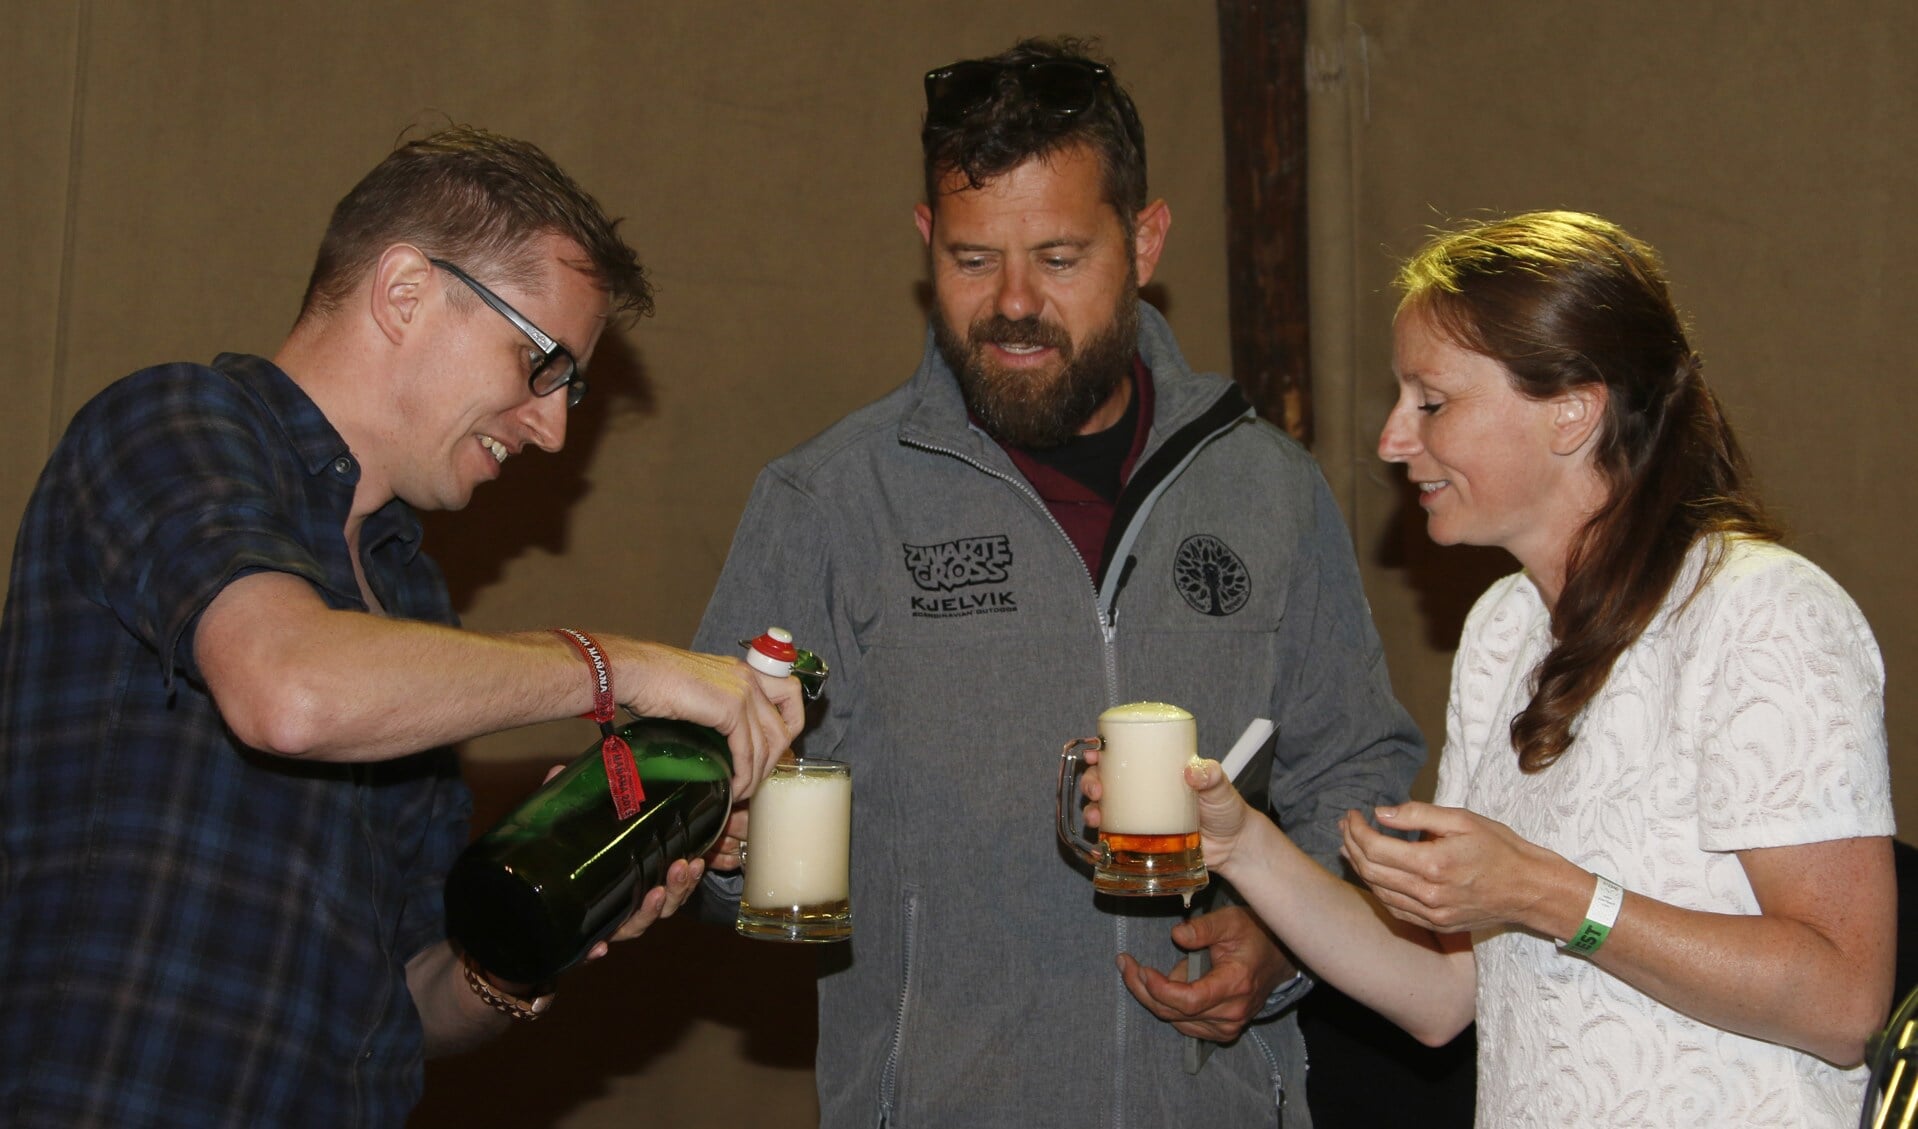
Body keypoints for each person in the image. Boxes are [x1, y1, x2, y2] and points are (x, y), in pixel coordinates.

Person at [0, 126, 804, 1128]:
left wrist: (543, 930)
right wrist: (616, 666)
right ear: (406, 293)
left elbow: (410, 1005)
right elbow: (289, 691)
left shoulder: (412, 603)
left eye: (572, 386)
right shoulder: (174, 422)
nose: (552, 428)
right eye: (540, 363)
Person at [693, 37, 1423, 1127]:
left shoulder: (1266, 488)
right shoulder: (830, 502)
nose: (1014, 304)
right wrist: (718, 846)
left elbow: (1361, 767)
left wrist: (1281, 944)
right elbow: (719, 828)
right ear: (925, 243)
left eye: (1061, 257)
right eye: (974, 260)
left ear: (1145, 240)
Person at [1129, 210, 1895, 1127]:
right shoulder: (1503, 629)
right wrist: (1239, 843)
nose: (1390, 440)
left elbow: (1846, 1003)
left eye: (1432, 401)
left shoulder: (1760, 612)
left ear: (1572, 409)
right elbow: (1444, 992)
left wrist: (1551, 894)